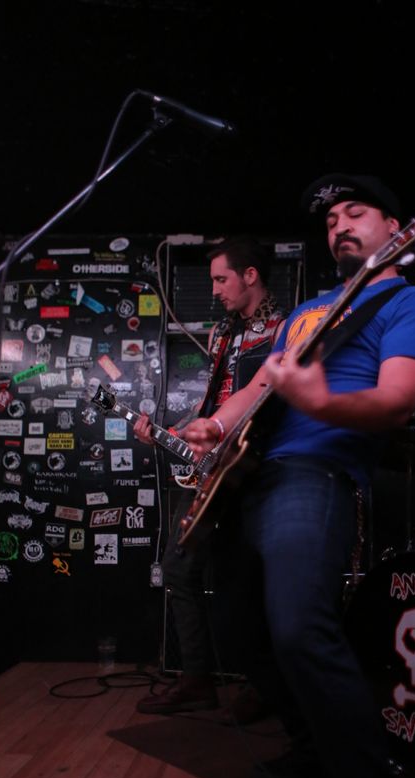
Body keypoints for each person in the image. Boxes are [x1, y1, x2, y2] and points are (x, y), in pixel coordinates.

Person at [181, 175, 415, 778]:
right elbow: (257, 390)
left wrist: (323, 401)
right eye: (330, 219)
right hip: (247, 478)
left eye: (355, 212)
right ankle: (311, 748)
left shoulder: (410, 304)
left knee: (301, 629)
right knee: (239, 634)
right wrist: (214, 424)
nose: (339, 225)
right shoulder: (308, 311)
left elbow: (395, 402)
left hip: (314, 475)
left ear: (395, 225)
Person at [134, 235, 286, 716]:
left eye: (221, 279)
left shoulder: (285, 330)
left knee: (248, 580)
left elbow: (272, 403)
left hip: (256, 470)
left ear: (250, 276)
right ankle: (196, 679)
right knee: (179, 569)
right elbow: (215, 403)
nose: (215, 290)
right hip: (211, 470)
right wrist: (173, 432)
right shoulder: (223, 333)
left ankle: (264, 687)